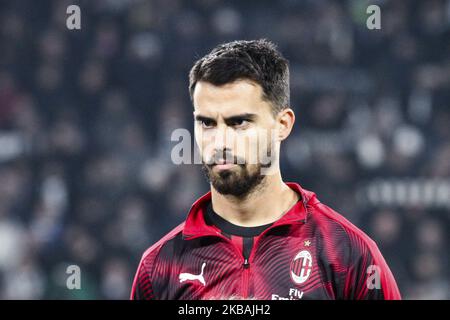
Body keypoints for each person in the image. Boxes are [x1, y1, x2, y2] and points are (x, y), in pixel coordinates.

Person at [130, 39, 401, 300]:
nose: (220, 140)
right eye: (207, 123)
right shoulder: (160, 267)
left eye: (239, 122)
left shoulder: (346, 254)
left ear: (282, 124)